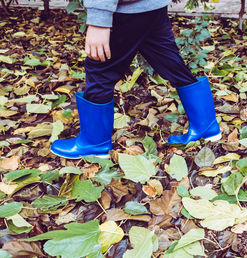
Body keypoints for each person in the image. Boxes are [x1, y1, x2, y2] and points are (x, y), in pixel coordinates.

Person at [50, 0, 222, 159]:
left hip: (126, 10)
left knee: (100, 67)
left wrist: (98, 20)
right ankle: (206, 126)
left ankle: (94, 143)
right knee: (169, 61)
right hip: (152, 6)